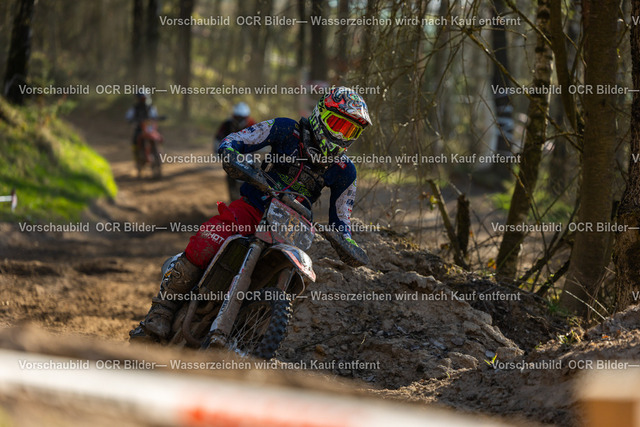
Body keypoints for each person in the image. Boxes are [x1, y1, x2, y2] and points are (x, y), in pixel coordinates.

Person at [132, 87, 372, 340]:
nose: (341, 135)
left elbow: (342, 219)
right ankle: (162, 309)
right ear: (321, 115)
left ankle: (252, 336)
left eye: (350, 131)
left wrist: (346, 241)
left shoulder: (345, 170)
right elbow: (237, 139)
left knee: (297, 277)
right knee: (209, 239)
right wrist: (232, 153)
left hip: (293, 228)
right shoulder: (285, 129)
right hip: (255, 207)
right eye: (337, 125)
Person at [214, 102, 257, 200]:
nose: (239, 120)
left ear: (247, 117)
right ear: (233, 116)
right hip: (231, 156)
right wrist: (217, 152)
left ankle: (249, 200)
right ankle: (233, 200)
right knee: (230, 176)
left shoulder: (252, 124)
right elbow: (217, 138)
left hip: (249, 156)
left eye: (242, 118)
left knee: (251, 180)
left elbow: (263, 138)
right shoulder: (227, 124)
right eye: (237, 117)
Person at [126, 92, 159, 165]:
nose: (143, 100)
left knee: (158, 137)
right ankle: (137, 156)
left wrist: (158, 118)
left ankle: (157, 152)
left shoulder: (150, 108)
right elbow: (129, 116)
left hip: (150, 129)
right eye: (142, 99)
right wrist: (131, 120)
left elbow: (155, 116)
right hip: (140, 128)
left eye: (144, 99)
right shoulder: (135, 108)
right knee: (135, 140)